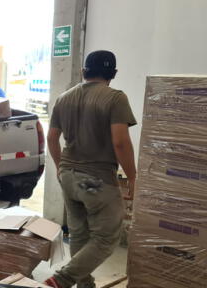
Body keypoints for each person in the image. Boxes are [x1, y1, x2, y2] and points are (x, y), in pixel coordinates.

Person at [44, 50, 137, 288]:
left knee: (79, 234)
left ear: (83, 71)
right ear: (113, 74)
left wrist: (59, 167)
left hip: (68, 176)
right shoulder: (115, 98)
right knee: (106, 238)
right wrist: (134, 178)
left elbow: (52, 138)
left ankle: (84, 285)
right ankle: (61, 280)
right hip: (96, 181)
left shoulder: (64, 97)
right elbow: (120, 142)